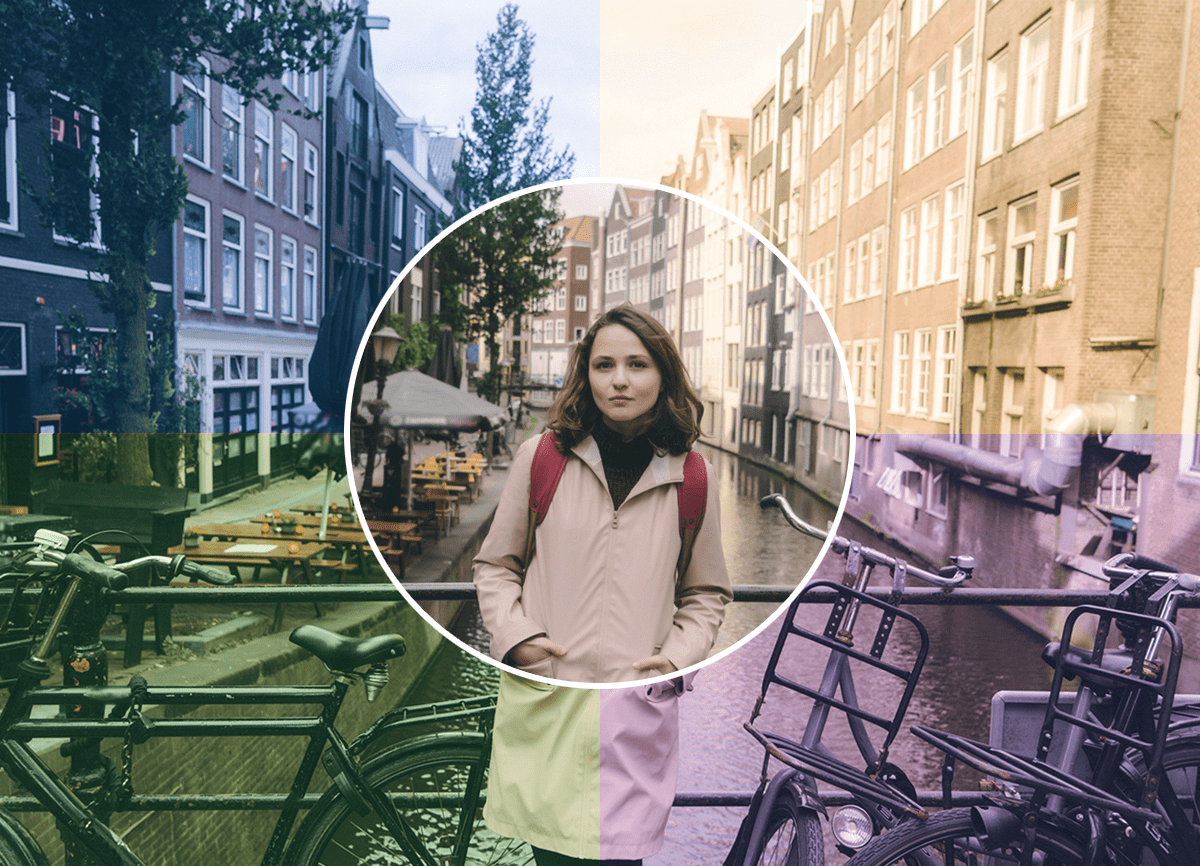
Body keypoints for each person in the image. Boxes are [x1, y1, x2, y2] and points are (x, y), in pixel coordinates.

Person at [473, 305, 732, 864]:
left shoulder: (691, 476)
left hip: (634, 715)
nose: (619, 380)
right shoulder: (541, 459)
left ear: (663, 373)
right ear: (584, 374)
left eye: (637, 364)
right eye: (604, 364)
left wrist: (676, 660)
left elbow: (706, 592)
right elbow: (495, 565)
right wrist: (517, 639)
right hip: (551, 705)